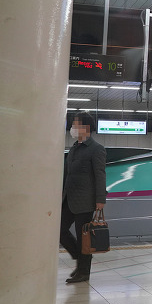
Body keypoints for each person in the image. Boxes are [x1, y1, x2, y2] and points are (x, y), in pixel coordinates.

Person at [60, 111, 107, 284]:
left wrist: (100, 199)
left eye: (75, 124)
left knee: (84, 238)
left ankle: (83, 271)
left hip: (85, 201)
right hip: (69, 199)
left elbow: (100, 175)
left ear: (85, 127)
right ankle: (79, 260)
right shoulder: (74, 148)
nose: (72, 127)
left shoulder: (96, 149)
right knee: (60, 230)